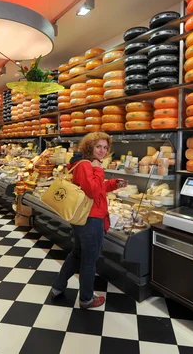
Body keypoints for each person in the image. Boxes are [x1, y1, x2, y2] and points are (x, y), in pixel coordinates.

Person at [51, 132, 127, 309]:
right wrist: (98, 169)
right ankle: (86, 299)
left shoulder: (86, 163)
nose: (102, 151)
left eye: (105, 147)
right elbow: (93, 191)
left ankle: (57, 287)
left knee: (78, 254)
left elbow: (95, 188)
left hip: (84, 217)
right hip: (90, 219)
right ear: (89, 147)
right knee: (89, 260)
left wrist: (114, 183)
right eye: (98, 146)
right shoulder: (86, 165)